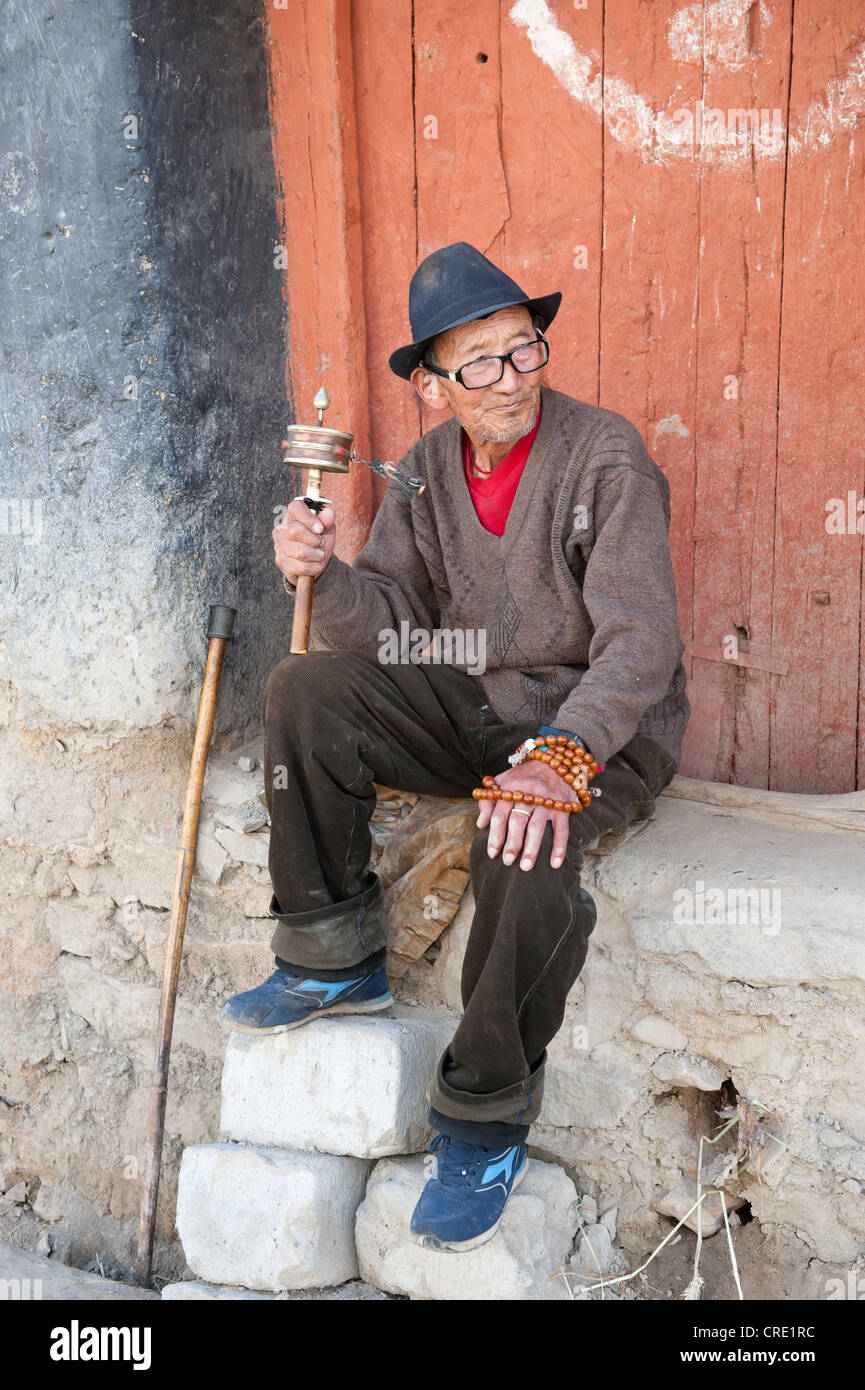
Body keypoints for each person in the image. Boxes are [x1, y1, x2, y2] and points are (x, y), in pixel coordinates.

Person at [221, 241, 690, 1253]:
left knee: (519, 839)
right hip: (480, 701)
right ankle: (330, 952)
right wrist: (321, 572)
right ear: (436, 388)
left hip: (601, 729)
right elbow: (390, 626)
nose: (511, 379)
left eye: (523, 349)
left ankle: (482, 1118)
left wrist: (559, 761)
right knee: (305, 687)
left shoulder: (605, 456)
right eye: (478, 363)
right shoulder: (429, 471)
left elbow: (641, 643)